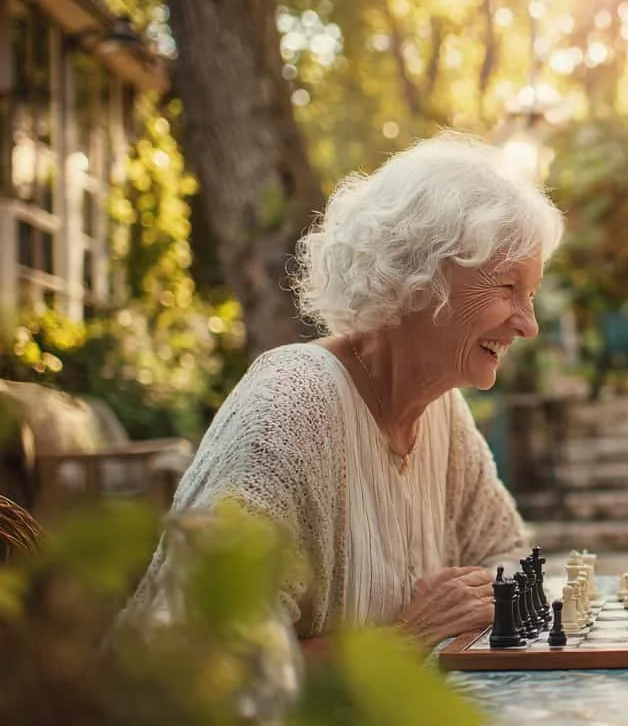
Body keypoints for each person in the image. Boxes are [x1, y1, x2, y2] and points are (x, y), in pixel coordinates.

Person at [125, 132, 562, 650]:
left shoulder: (442, 409)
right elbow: (206, 667)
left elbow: (505, 554)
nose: (529, 325)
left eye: (530, 294)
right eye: (508, 287)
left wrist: (477, 601)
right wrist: (404, 637)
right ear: (420, 274)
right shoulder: (291, 407)